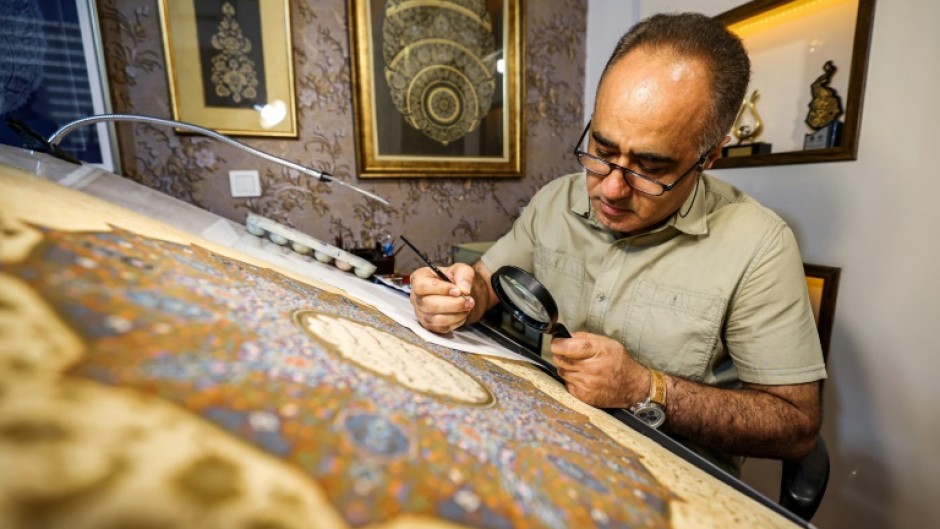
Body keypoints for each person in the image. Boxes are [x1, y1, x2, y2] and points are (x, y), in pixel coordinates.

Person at [408, 12, 826, 476]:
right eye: (603, 151)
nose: (610, 189)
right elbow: (486, 285)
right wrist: (455, 297)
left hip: (661, 479)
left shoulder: (760, 246)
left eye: (650, 167)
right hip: (539, 442)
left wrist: (647, 389)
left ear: (710, 156)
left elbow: (796, 425)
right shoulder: (555, 200)